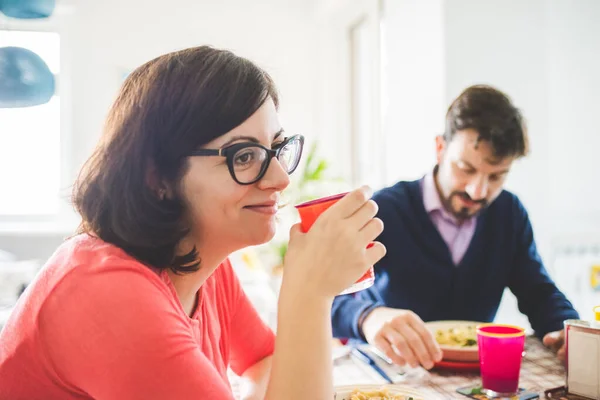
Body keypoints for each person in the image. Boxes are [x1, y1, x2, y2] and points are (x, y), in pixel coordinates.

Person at [0, 46, 385, 399]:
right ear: (158, 178)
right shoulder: (108, 293)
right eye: (245, 156)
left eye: (277, 149)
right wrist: (309, 295)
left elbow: (263, 361)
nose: (281, 180)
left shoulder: (199, 258)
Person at [331, 85, 578, 369]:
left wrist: (568, 332)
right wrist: (368, 317)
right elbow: (329, 300)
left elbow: (539, 293)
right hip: (391, 374)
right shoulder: (384, 210)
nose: (478, 191)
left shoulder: (508, 214)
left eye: (497, 177)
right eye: (466, 169)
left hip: (475, 378)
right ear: (440, 148)